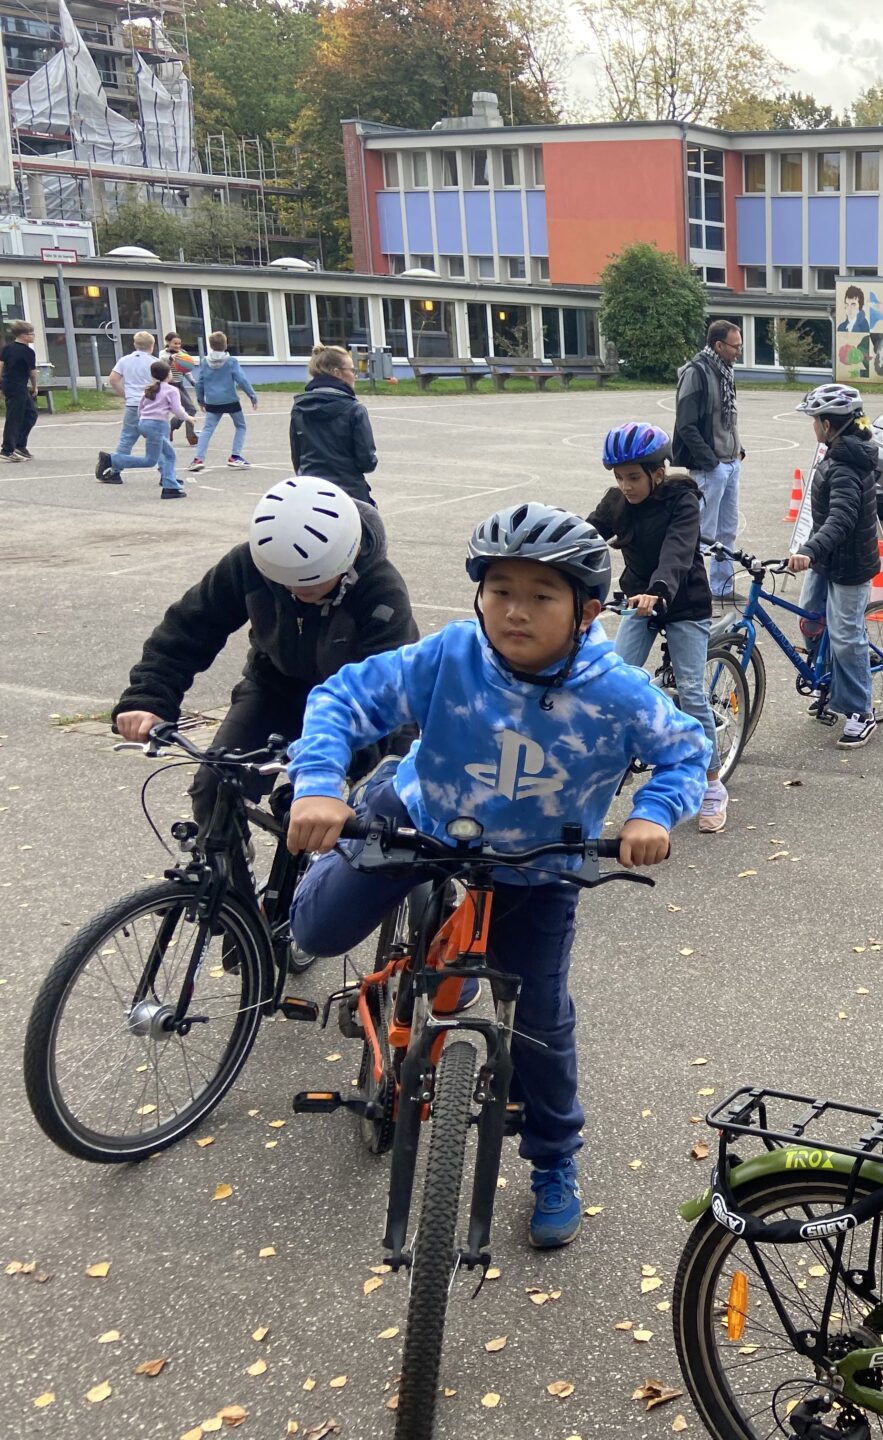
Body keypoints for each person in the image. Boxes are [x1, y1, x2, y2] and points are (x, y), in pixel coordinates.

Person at [284, 503, 708, 1250]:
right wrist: (318, 784)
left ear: (587, 612)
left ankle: (555, 1163)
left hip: (536, 866)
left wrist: (654, 812)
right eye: (499, 589)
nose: (515, 612)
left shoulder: (617, 693)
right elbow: (344, 696)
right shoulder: (452, 654)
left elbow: (685, 749)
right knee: (316, 928)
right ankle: (385, 898)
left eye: (542, 596)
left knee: (540, 1020)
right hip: (420, 818)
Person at [111, 475, 417, 827]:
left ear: (347, 559)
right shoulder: (250, 563)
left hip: (359, 702)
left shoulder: (382, 591)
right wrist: (147, 699)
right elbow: (190, 627)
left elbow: (385, 689)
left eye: (312, 581)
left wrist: (333, 777)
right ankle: (228, 881)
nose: (295, 589)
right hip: (276, 688)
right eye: (284, 580)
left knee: (382, 814)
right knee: (215, 788)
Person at [589, 421, 729, 834]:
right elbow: (585, 534)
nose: (625, 485)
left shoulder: (682, 499)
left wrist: (660, 589)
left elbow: (678, 550)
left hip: (682, 600)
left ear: (657, 472)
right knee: (613, 681)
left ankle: (712, 786)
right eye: (619, 477)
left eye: (633, 477)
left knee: (690, 691)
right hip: (639, 600)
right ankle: (618, 761)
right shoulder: (617, 502)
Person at [786, 383, 881, 749]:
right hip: (827, 557)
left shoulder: (844, 465)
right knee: (810, 617)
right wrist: (807, 548)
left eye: (814, 420)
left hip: (851, 564)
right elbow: (823, 516)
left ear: (828, 424)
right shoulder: (834, 453)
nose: (812, 426)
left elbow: (840, 520)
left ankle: (861, 710)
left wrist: (809, 550)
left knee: (845, 637)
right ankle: (829, 682)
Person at [672, 320, 746, 600]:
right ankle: (688, 590)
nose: (739, 352)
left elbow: (727, 418)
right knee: (700, 533)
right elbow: (686, 425)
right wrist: (710, 462)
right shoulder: (696, 373)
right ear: (718, 345)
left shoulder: (726, 371)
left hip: (730, 462)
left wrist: (738, 449)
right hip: (709, 467)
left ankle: (722, 588)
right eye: (735, 346)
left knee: (727, 530)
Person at [290, 345, 379, 504]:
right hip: (349, 493)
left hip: (310, 491)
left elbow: (297, 457)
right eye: (352, 370)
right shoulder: (355, 410)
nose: (355, 376)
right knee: (372, 526)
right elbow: (366, 462)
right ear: (337, 372)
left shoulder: (299, 408)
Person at [99, 361, 188, 496]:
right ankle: (113, 460)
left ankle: (170, 485)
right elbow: (177, 409)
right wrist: (188, 418)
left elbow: (141, 408)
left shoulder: (150, 389)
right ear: (168, 374)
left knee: (163, 456)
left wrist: (144, 421)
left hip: (145, 423)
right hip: (157, 425)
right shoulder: (171, 390)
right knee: (158, 459)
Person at [189, 331, 260, 473]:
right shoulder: (231, 362)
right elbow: (242, 379)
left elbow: (199, 383)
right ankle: (235, 456)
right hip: (230, 399)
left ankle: (198, 459)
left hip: (212, 401)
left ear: (210, 346)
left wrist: (200, 400)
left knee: (207, 429)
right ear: (225, 344)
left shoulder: (205, 362)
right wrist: (252, 395)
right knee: (240, 426)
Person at [100, 330, 158, 473]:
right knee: (158, 440)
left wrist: (125, 395)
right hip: (150, 404)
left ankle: (115, 471)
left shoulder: (125, 360)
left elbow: (113, 379)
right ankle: (166, 473)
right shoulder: (154, 362)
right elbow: (161, 382)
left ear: (135, 345)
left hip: (133, 403)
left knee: (127, 438)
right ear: (152, 346)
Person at [1, 319, 38, 461]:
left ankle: (19, 444)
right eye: (31, 334)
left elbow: (1, 366)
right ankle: (7, 449)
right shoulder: (28, 352)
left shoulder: (7, 348)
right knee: (15, 417)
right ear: (23, 335)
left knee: (31, 414)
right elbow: (32, 372)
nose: (33, 336)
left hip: (11, 385)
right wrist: (35, 386)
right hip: (17, 386)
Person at [163, 331, 200, 447]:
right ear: (168, 342)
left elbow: (186, 371)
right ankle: (190, 435)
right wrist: (170, 358)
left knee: (187, 409)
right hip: (170, 385)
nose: (177, 346)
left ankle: (171, 427)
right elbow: (162, 361)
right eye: (175, 343)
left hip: (180, 385)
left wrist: (193, 382)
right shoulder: (163, 354)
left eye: (179, 343)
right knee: (191, 409)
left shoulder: (182, 353)